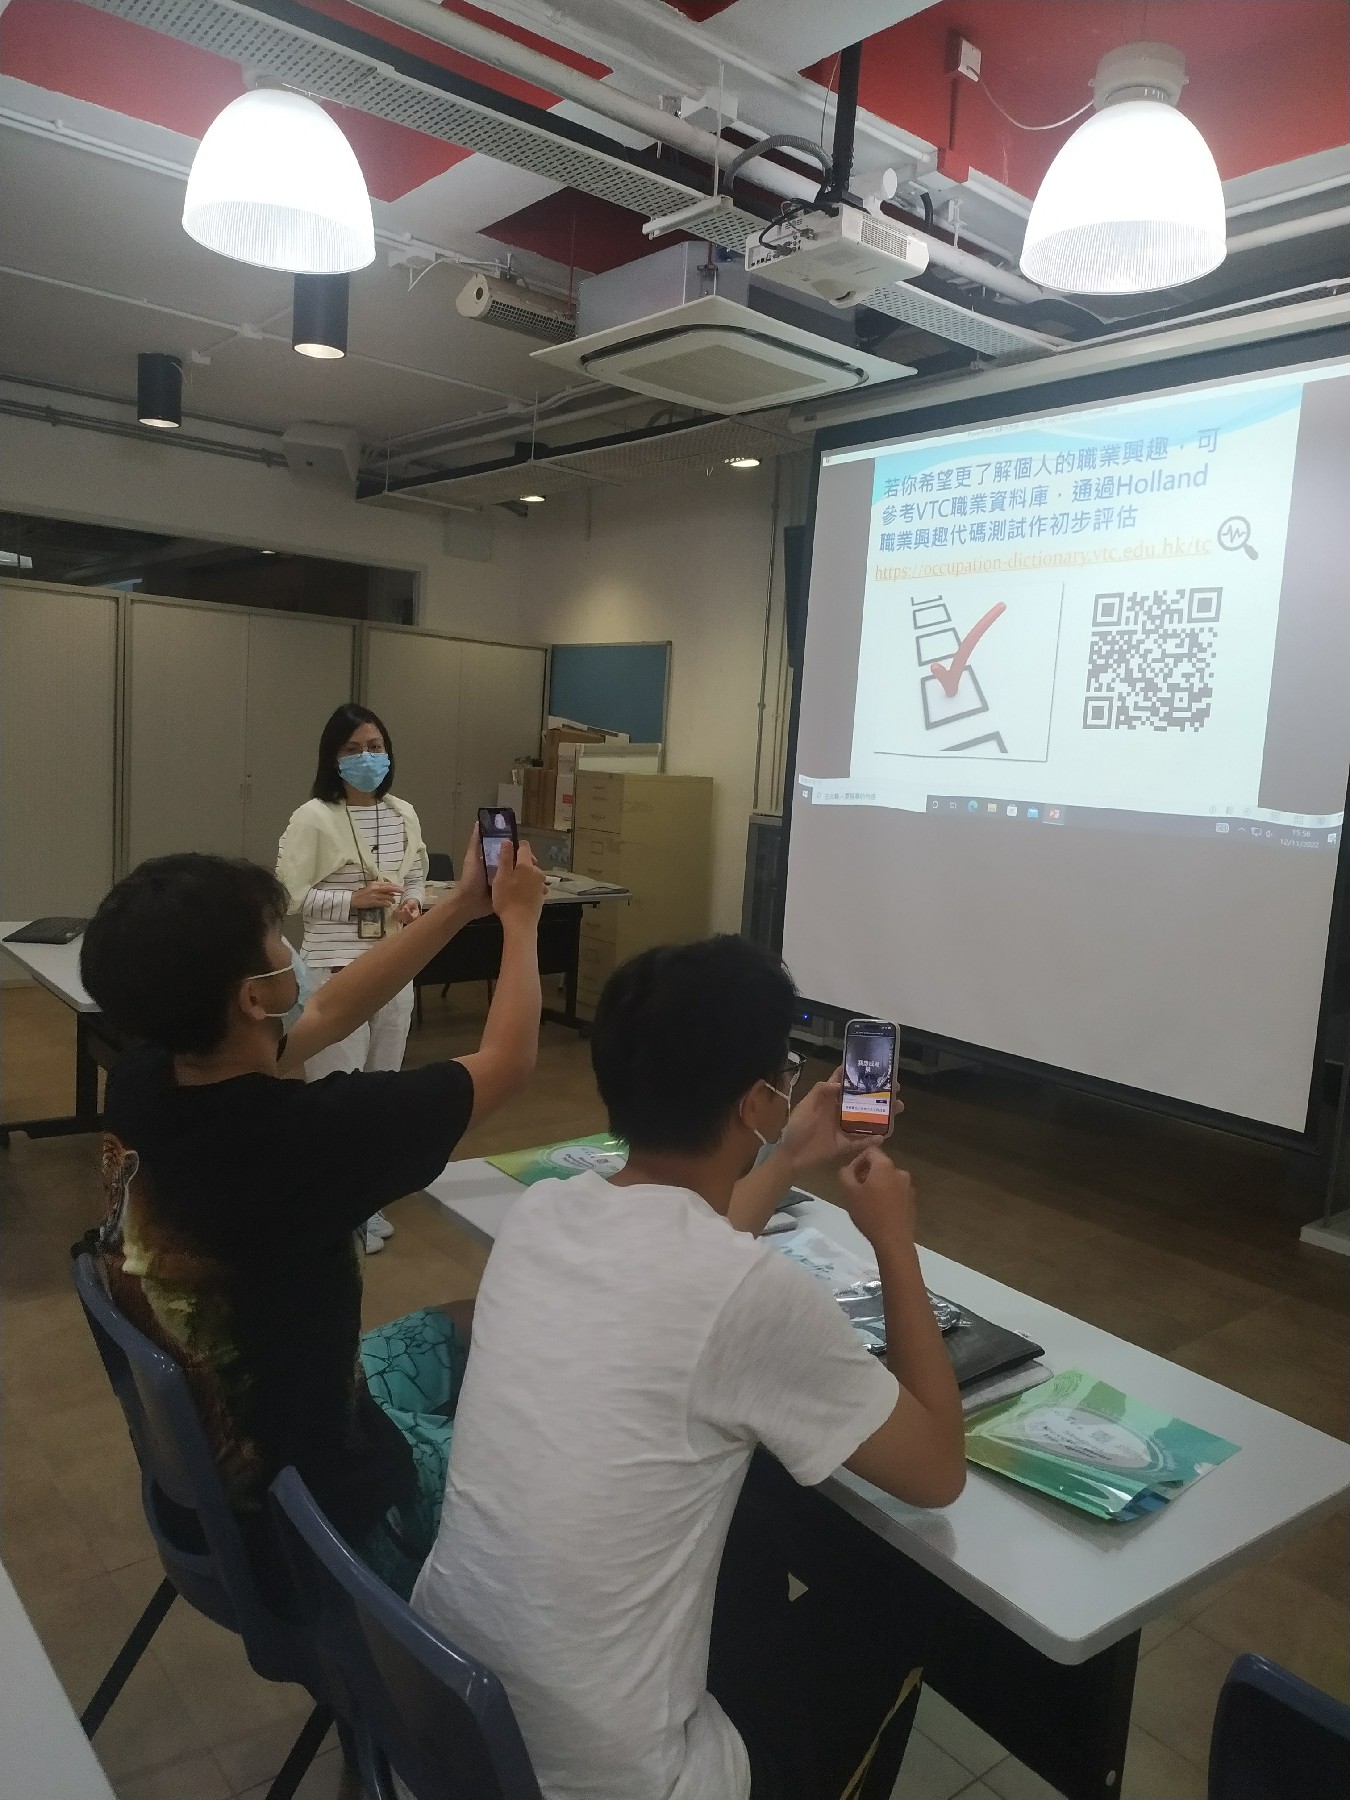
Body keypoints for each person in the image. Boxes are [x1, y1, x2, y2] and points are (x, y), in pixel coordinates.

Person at [413, 934, 967, 1800]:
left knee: (746, 1517)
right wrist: (894, 1242)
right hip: (616, 1782)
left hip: (449, 1718)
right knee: (904, 1598)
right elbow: (935, 1472)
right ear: (757, 1100)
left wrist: (789, 1156)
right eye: (783, 1073)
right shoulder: (748, 1293)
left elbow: (685, 1245)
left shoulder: (542, 1215)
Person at [78, 826, 546, 1599]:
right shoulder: (311, 1138)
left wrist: (462, 907)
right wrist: (521, 924)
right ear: (253, 995)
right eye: (275, 937)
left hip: (221, 1494)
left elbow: (326, 1009)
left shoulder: (144, 1081)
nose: (288, 948)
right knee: (554, 1458)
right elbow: (508, 1062)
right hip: (326, 1529)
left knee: (475, 1322)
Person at [276, 703, 426, 1255]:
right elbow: (288, 897)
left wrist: (410, 904)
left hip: (394, 968)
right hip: (335, 971)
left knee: (381, 1095)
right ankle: (330, 1208)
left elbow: (416, 875)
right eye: (354, 749)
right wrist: (352, 900)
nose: (368, 758)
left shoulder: (403, 813)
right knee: (335, 1098)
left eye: (376, 747)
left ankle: (366, 1203)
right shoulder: (313, 817)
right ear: (333, 757)